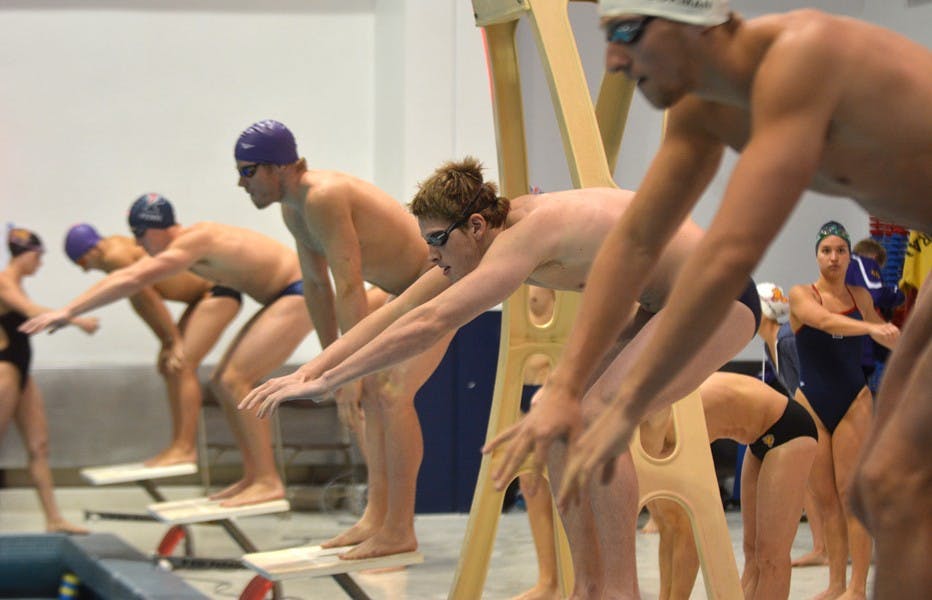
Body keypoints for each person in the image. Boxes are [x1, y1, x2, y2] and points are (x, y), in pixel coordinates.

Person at [506, 3, 931, 595]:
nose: (613, 59)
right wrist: (569, 386)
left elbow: (730, 253)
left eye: (627, 32)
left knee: (897, 483)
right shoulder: (701, 110)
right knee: (882, 486)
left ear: (693, 24)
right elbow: (633, 243)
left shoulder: (798, 61)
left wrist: (622, 407)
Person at [240, 158, 761, 597]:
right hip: (666, 300)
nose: (432, 255)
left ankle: (619, 591)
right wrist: (314, 368)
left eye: (438, 240)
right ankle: (590, 587)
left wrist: (333, 382)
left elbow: (432, 321)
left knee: (597, 413)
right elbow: (403, 307)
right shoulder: (489, 231)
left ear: (475, 227)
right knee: (553, 418)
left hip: (719, 296)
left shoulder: (522, 237)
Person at [232, 119, 453, 560]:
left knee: (389, 391)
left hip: (438, 279)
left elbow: (348, 287)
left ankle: (399, 528)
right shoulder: (293, 208)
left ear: (277, 167)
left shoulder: (324, 197)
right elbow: (316, 288)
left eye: (247, 171)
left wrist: (346, 372)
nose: (241, 183)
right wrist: (332, 369)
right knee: (371, 392)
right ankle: (377, 517)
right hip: (400, 293)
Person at [21, 195, 314, 507]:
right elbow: (131, 282)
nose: (137, 243)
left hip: (298, 291)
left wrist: (67, 311)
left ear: (155, 229)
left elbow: (132, 280)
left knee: (233, 379)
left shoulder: (191, 242)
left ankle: (267, 480)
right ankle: (255, 477)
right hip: (285, 294)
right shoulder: (187, 240)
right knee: (221, 380)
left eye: (139, 234)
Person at [63, 223, 242, 467]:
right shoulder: (115, 246)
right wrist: (167, 341)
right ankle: (178, 445)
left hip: (218, 292)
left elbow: (150, 302)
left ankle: (185, 448)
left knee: (181, 365)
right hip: (201, 298)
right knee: (168, 366)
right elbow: (142, 303)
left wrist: (172, 340)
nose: (86, 271)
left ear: (90, 250)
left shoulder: (114, 257)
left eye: (82, 264)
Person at [789, 221, 898, 600]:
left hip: (853, 400)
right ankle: (835, 583)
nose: (834, 257)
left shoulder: (860, 296)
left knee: (851, 495)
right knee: (825, 500)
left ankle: (855, 587)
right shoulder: (802, 295)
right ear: (817, 255)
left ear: (850, 255)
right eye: (826, 251)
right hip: (814, 404)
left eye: (840, 250)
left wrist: (899, 339)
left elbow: (884, 334)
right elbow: (821, 322)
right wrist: (871, 329)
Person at [646, 371, 817, 600]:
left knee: (770, 558)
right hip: (758, 439)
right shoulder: (654, 423)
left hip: (789, 431)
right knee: (752, 551)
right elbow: (667, 528)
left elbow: (689, 538)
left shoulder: (667, 422)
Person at [0, 227, 97, 534]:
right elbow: (30, 312)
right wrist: (77, 320)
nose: (40, 264)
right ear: (25, 254)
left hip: (22, 371)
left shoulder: (17, 284)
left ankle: (54, 519)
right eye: (38, 257)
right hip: (4, 370)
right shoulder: (4, 283)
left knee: (39, 446)